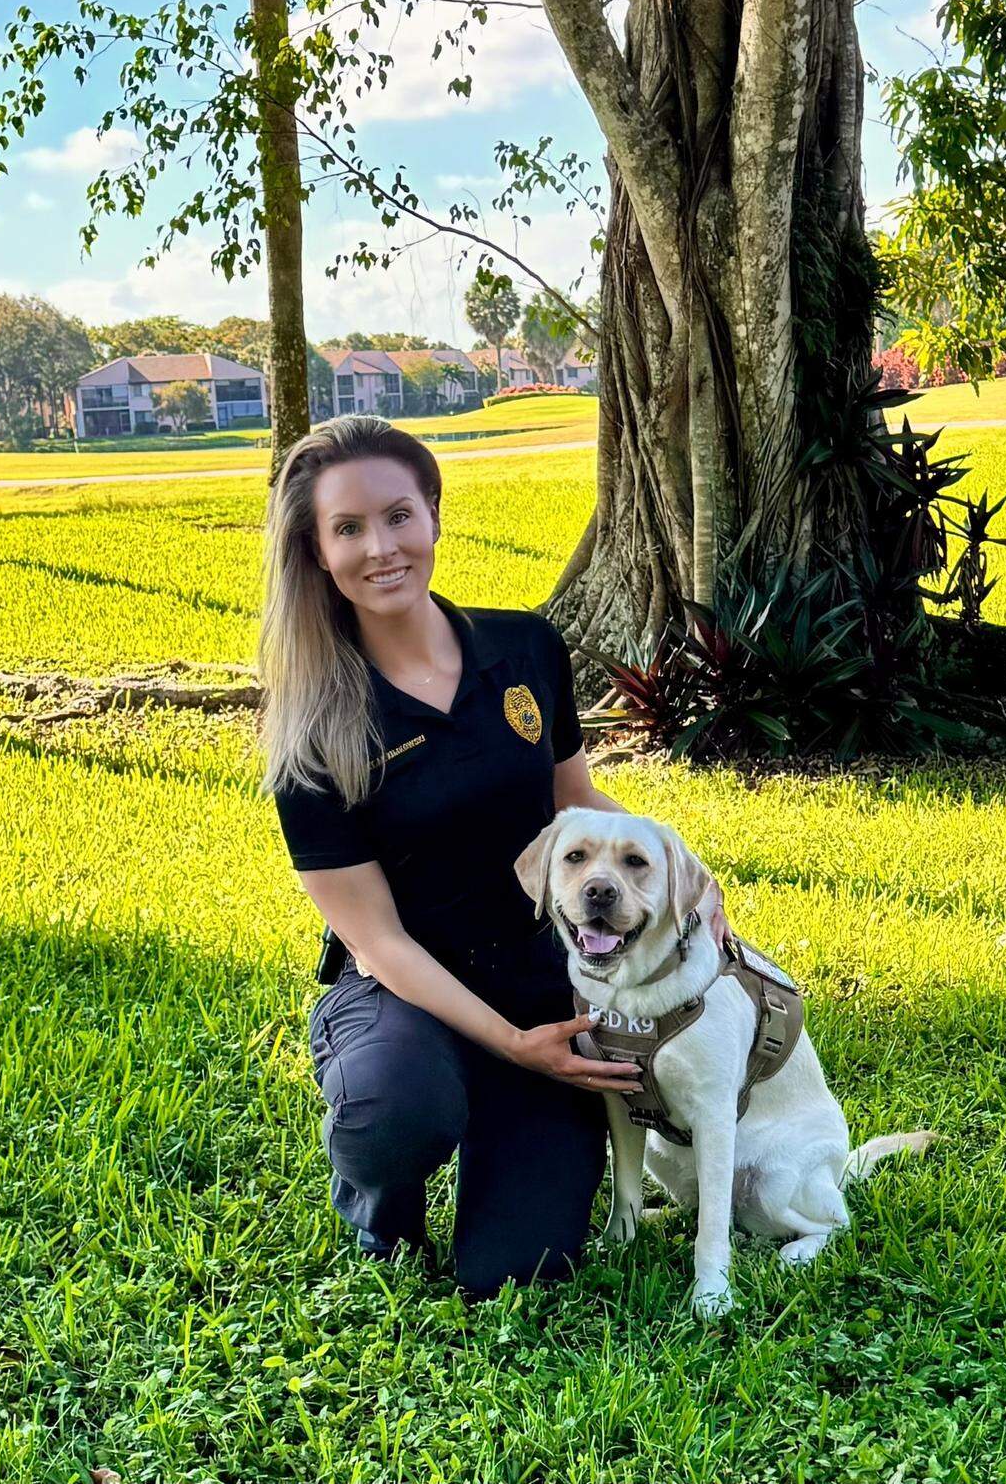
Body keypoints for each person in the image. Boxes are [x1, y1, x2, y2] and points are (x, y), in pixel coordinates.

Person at [259, 414, 728, 1297]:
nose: (381, 547)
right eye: (348, 528)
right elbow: (381, 942)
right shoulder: (311, 728)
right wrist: (513, 1045)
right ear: (318, 551)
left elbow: (575, 801)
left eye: (398, 515)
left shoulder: (525, 648)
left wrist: (685, 880)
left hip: (545, 985)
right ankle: (381, 1210)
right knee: (392, 1110)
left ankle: (504, 1137)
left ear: (433, 512)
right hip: (405, 992)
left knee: (517, 1271)